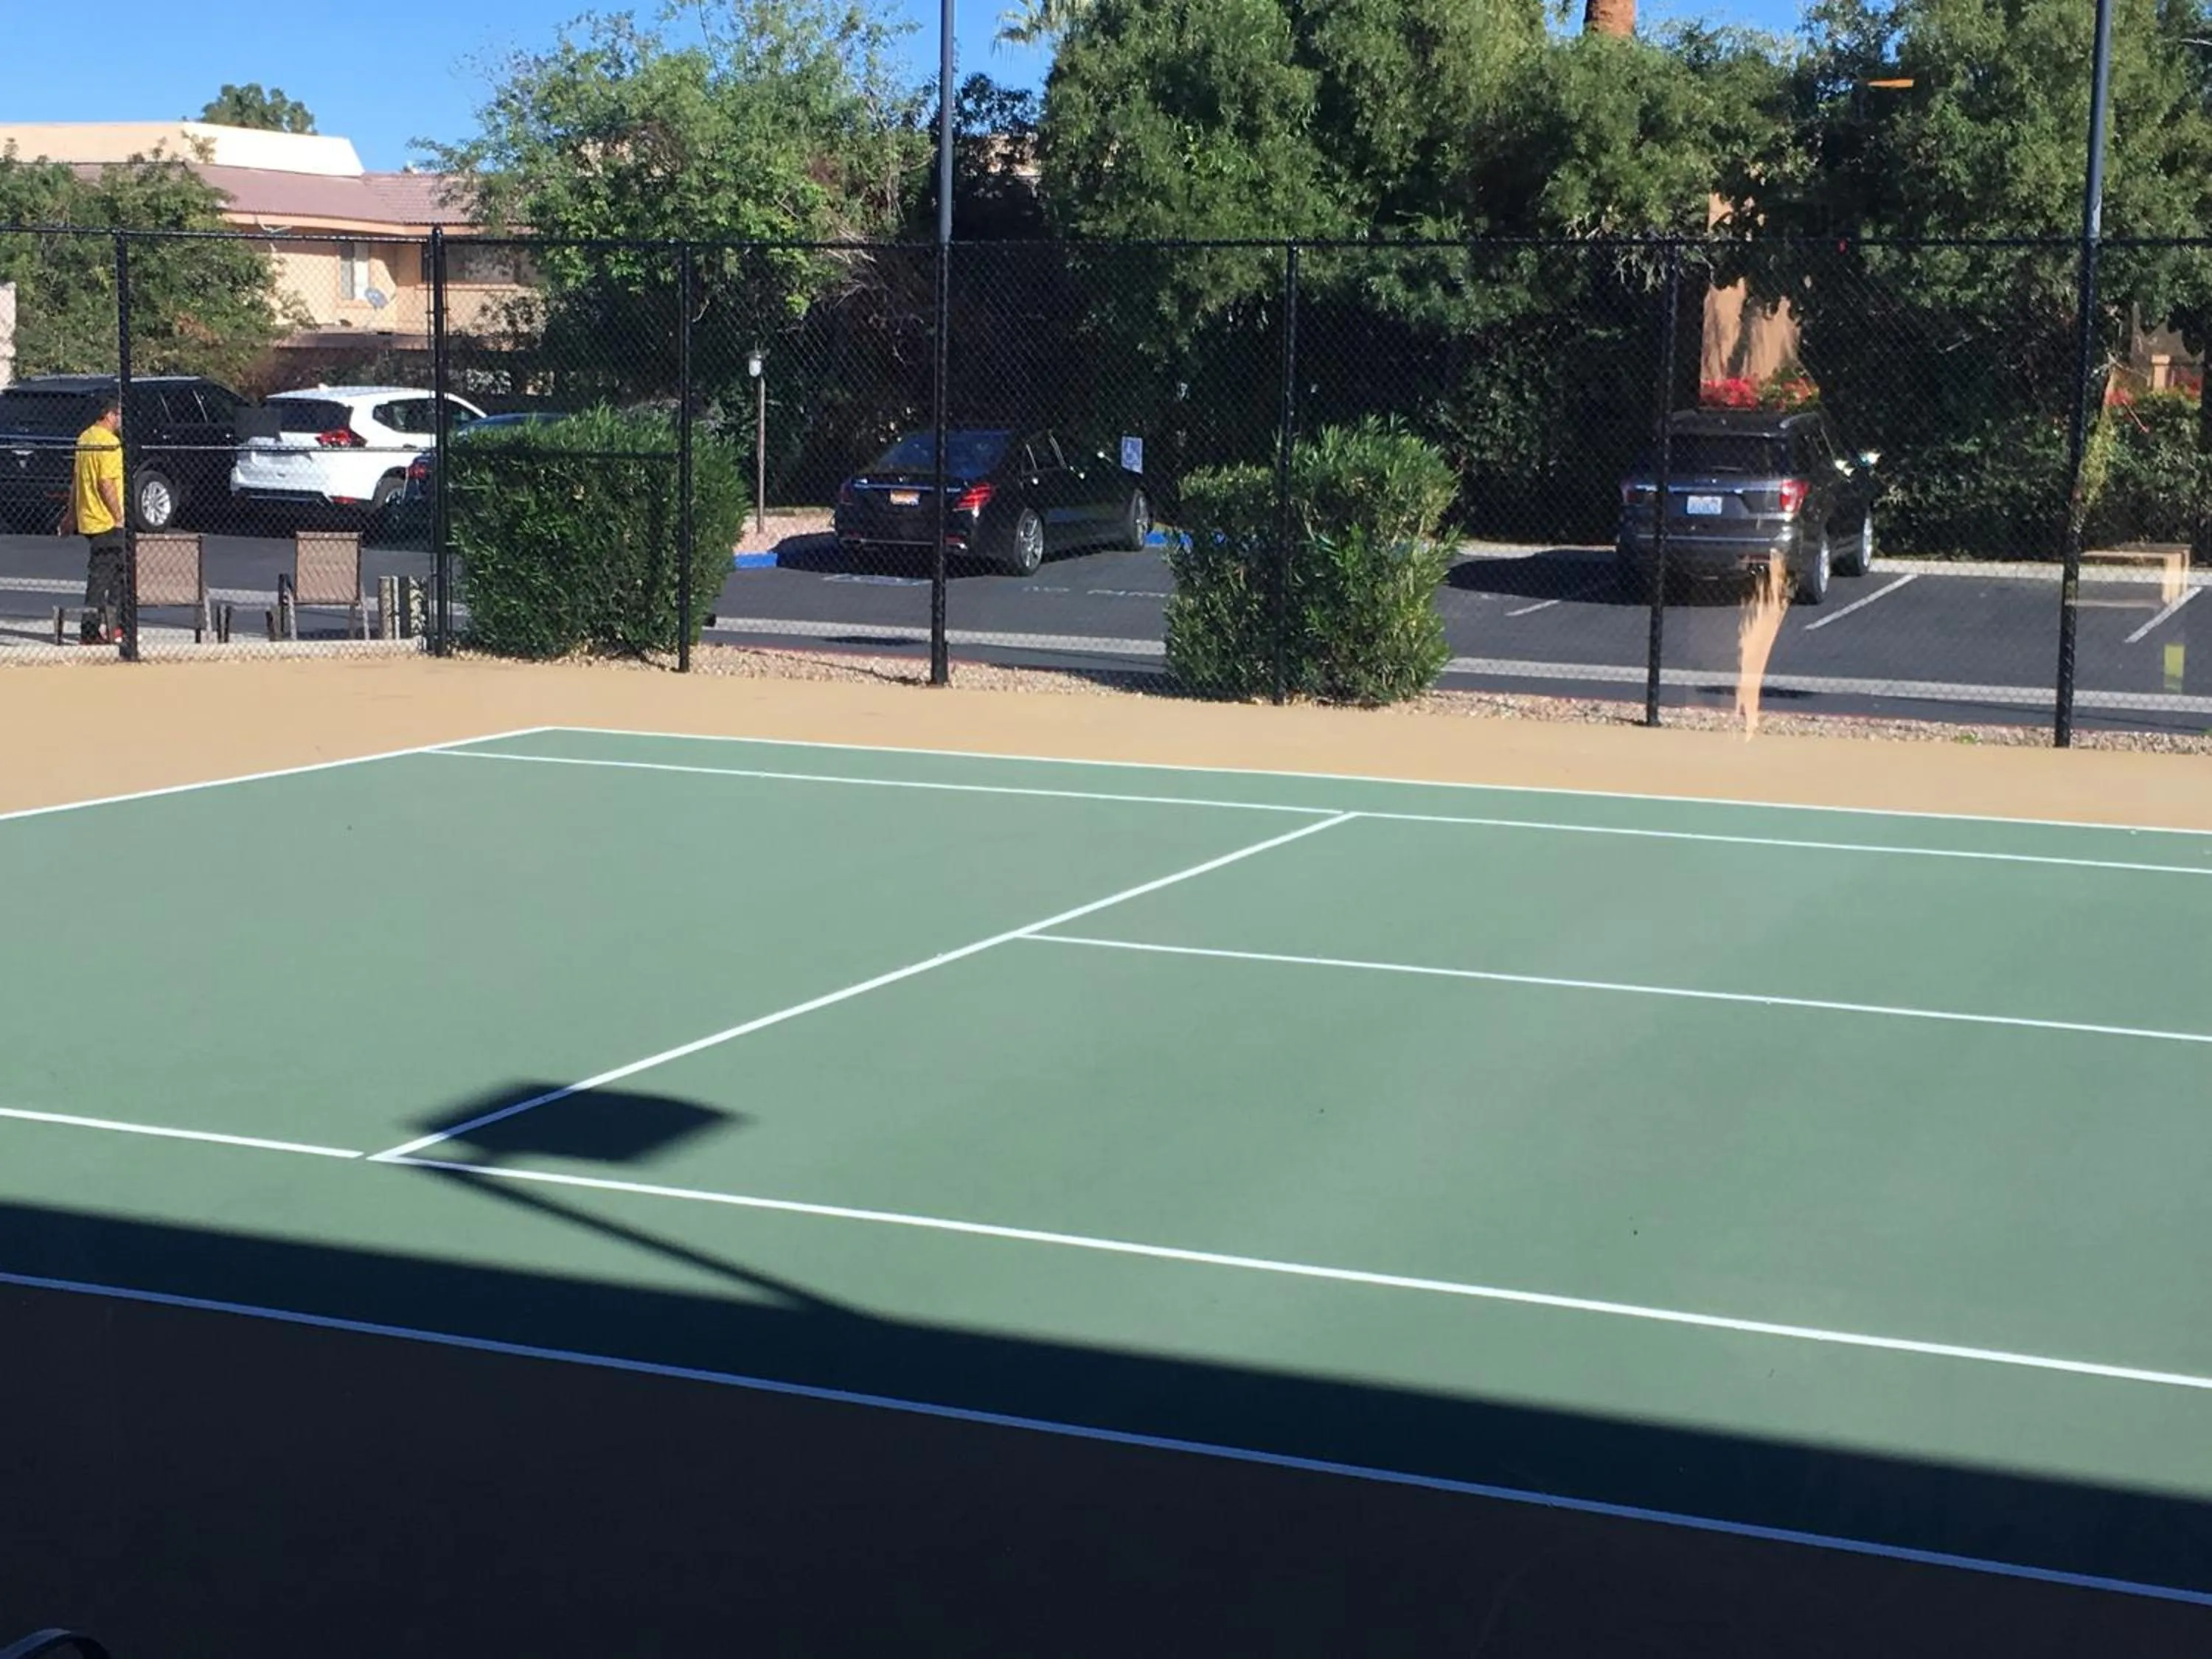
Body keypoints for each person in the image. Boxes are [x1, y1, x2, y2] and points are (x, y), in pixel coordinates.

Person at [59, 396, 125, 644]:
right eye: (118, 415)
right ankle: (90, 631)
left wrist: (70, 515)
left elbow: (77, 481)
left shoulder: (84, 438)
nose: (120, 420)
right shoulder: (110, 443)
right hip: (105, 521)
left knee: (120, 573)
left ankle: (113, 625)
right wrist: (118, 516)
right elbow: (105, 482)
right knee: (102, 576)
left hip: (88, 517)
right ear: (109, 415)